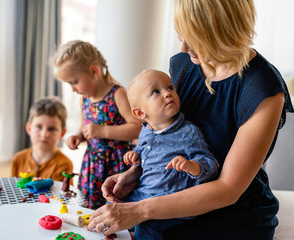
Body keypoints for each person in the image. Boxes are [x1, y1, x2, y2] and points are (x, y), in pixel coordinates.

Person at [88, 1, 294, 239]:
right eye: (180, 32)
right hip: (172, 198)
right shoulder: (183, 64)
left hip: (231, 213)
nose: (184, 46)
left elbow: (228, 190)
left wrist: (139, 210)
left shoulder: (261, 87)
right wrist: (137, 173)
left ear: (226, 29)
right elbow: (166, 135)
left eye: (195, 36)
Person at [122, 69, 219, 239]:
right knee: (113, 204)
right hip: (145, 192)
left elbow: (211, 164)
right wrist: (135, 156)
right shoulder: (145, 131)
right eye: (156, 92)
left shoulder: (188, 132)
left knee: (148, 225)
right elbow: (144, 152)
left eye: (170, 87)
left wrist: (192, 166)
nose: (167, 93)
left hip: (170, 201)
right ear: (140, 113)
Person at [52, 40, 142, 209]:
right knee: (90, 206)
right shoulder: (84, 99)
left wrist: (103, 131)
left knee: (116, 204)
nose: (72, 88)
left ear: (94, 71)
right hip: (93, 163)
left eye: (74, 81)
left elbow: (137, 127)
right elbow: (86, 124)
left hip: (116, 163)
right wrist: (78, 136)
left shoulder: (118, 94)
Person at [11, 97, 73, 183]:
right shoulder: (18, 159)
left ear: (62, 133)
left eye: (52, 129)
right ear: (29, 129)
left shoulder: (64, 164)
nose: (44, 134)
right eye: (39, 127)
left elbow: (63, 194)